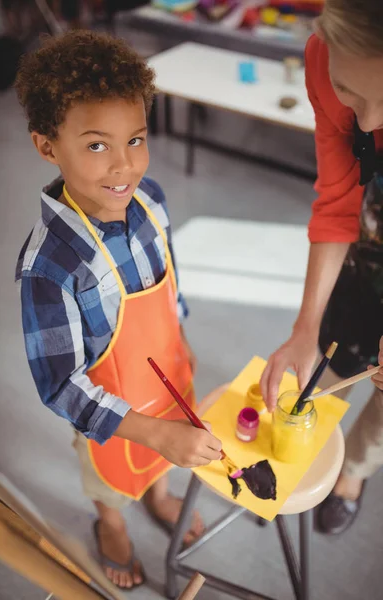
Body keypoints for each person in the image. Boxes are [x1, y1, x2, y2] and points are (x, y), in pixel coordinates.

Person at [15, 30, 222, 589]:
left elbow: (167, 274)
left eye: (136, 139)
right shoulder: (48, 267)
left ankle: (158, 494)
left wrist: (179, 329)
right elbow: (61, 387)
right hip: (110, 410)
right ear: (47, 146)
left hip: (167, 373)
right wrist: (148, 431)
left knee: (165, 452)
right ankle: (111, 523)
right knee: (108, 479)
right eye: (97, 144)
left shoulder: (150, 197)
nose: (124, 166)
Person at [260, 0, 383, 535]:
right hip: (368, 245)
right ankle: (312, 448)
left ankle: (353, 471)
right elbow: (339, 203)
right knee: (335, 353)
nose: (370, 121)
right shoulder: (320, 59)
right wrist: (304, 328)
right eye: (350, 89)